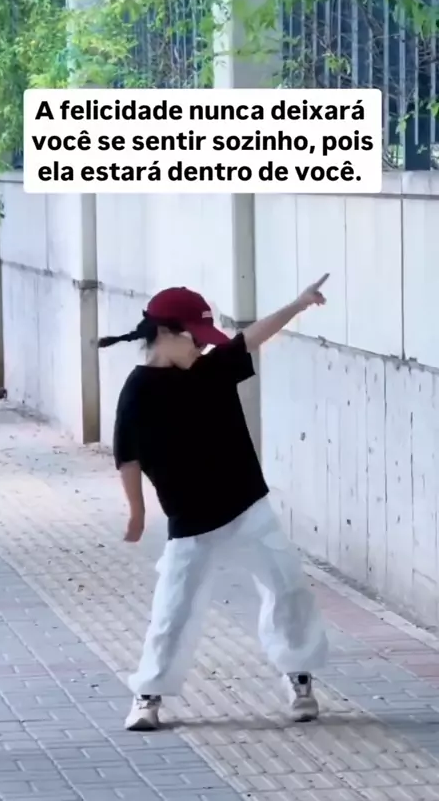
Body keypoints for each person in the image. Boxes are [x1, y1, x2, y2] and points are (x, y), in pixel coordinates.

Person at [99, 277, 329, 731]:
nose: (203, 348)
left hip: (248, 506)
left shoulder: (211, 369)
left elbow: (252, 336)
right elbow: (128, 456)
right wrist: (137, 513)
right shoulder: (139, 391)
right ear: (166, 333)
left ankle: (299, 676)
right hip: (191, 522)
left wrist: (299, 303)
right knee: (173, 610)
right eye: (196, 339)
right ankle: (148, 695)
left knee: (287, 588)